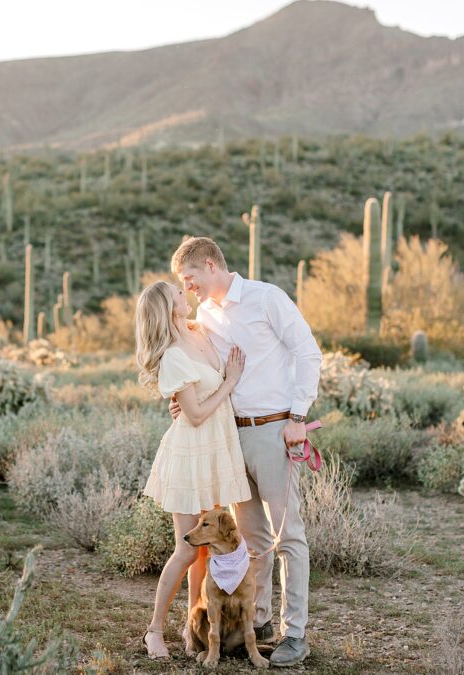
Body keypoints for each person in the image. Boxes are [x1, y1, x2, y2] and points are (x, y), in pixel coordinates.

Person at [169, 236, 322, 667]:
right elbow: (210, 372)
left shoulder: (266, 298)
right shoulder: (204, 315)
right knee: (253, 540)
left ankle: (296, 635)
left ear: (211, 264)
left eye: (190, 277)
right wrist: (185, 398)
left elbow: (309, 352)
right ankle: (260, 623)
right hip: (230, 437)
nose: (189, 287)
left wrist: (298, 416)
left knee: (288, 535)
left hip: (275, 429)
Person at [134, 280, 252, 660]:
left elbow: (197, 399)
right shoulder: (172, 355)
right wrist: (230, 381)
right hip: (191, 453)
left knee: (206, 550)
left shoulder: (199, 331)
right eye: (176, 294)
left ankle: (192, 628)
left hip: (216, 451)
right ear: (167, 309)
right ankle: (154, 631)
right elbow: (197, 414)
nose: (184, 293)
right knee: (186, 550)